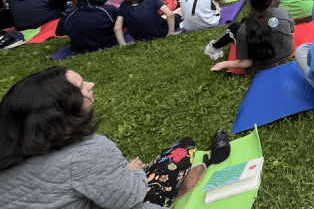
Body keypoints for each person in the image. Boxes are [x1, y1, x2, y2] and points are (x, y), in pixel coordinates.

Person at [0, 66, 194, 208]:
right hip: (125, 198)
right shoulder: (90, 151)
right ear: (62, 108)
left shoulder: (8, 152)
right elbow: (129, 197)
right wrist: (132, 173)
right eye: (81, 86)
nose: (91, 85)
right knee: (183, 149)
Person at [206, 0, 295, 72]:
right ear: (271, 1)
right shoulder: (283, 12)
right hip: (287, 53)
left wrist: (223, 64)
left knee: (235, 27)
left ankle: (212, 48)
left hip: (263, 65)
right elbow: (292, 30)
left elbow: (247, 62)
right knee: (245, 20)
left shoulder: (244, 30)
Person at [56, 0, 120, 54]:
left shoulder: (69, 16)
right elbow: (123, 24)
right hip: (107, 45)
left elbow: (59, 32)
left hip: (80, 50)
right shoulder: (108, 11)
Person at [114, 0, 180, 43]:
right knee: (179, 13)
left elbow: (117, 27)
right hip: (160, 32)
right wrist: (171, 32)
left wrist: (123, 44)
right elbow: (170, 14)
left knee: (165, 17)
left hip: (139, 38)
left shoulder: (124, 4)